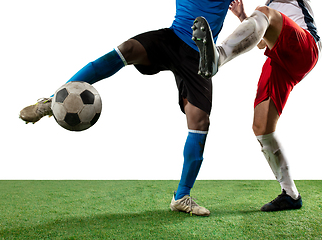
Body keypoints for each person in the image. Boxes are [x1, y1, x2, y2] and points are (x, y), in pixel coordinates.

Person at [19, 0, 235, 217]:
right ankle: (50, 101)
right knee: (127, 49)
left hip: (200, 55)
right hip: (173, 37)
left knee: (199, 122)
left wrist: (243, 15)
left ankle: (181, 197)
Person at [192, 0, 320, 211]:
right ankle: (291, 194)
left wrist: (258, 15)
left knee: (264, 13)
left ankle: (218, 56)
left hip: (306, 48)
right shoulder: (268, 6)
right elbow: (261, 43)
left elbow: (268, 18)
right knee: (262, 128)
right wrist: (243, 16)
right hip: (280, 58)